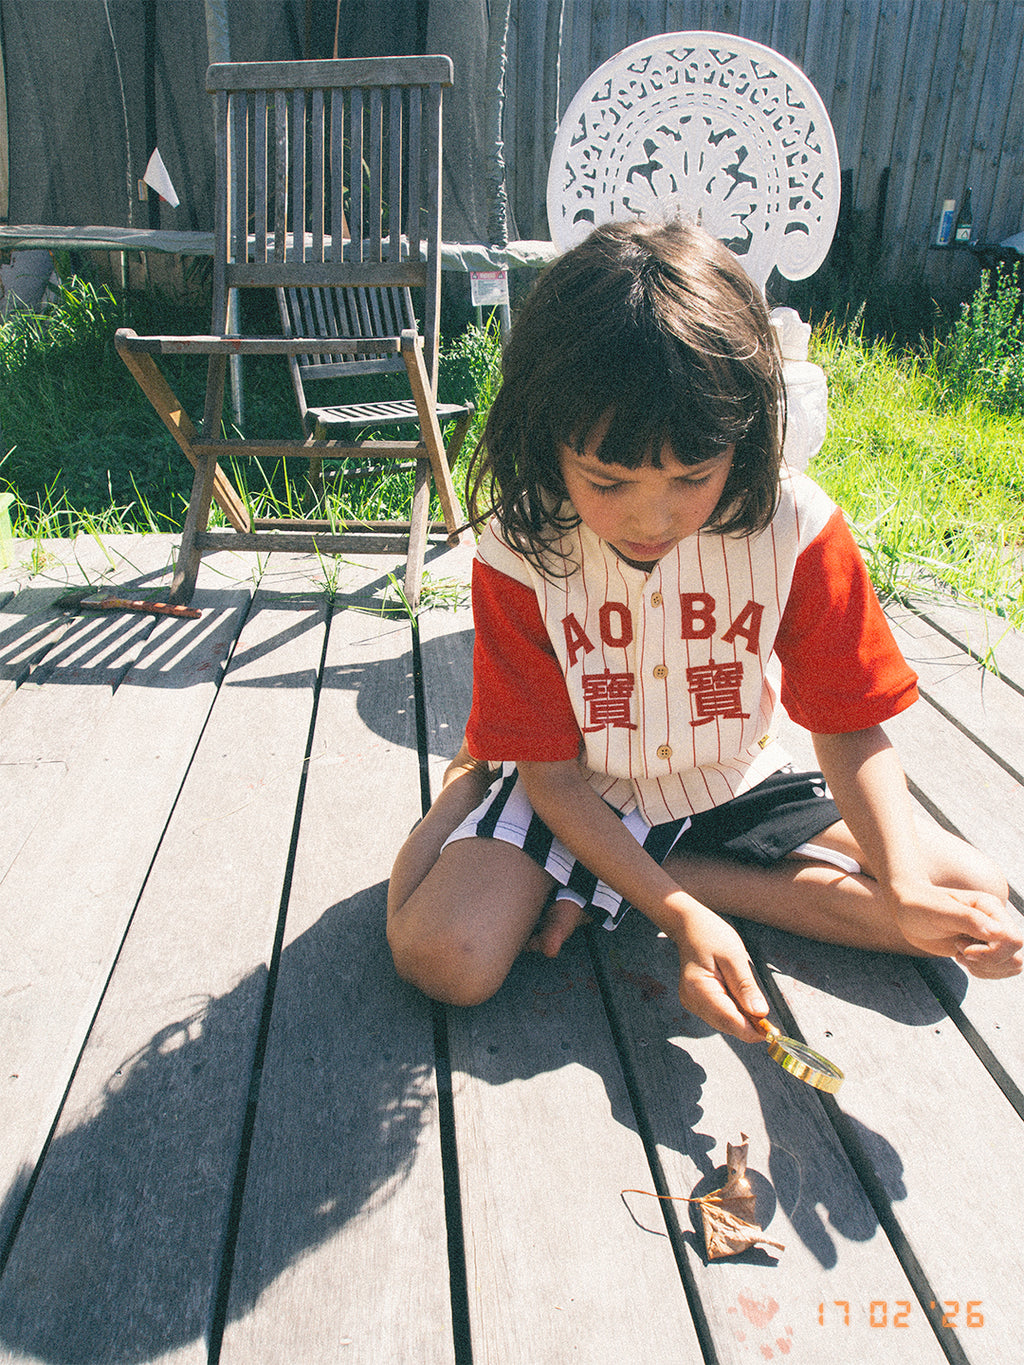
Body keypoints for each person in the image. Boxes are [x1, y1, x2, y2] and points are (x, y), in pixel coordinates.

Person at [387, 219, 1022, 1041]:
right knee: (445, 956)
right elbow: (552, 777)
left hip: (729, 780)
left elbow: (847, 723)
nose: (653, 517)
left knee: (968, 898)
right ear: (548, 437)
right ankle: (470, 787)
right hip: (579, 790)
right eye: (608, 481)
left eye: (693, 477)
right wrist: (680, 918)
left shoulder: (796, 523)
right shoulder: (520, 547)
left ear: (745, 434)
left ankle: (641, 877)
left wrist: (899, 881)